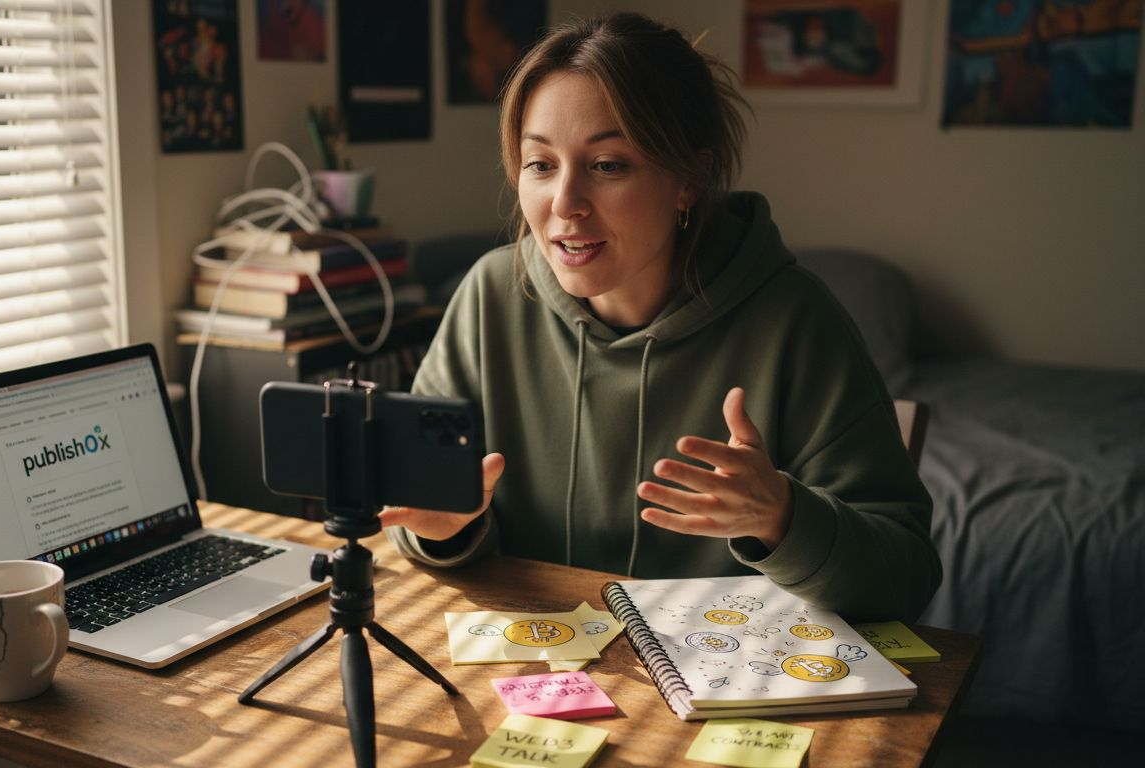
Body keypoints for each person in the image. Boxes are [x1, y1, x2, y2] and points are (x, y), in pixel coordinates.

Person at [380, 12, 941, 622]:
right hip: (533, 679)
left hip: (720, 694)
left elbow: (906, 575)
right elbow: (425, 519)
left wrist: (783, 517)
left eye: (608, 165)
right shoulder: (491, 294)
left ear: (688, 181)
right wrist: (444, 529)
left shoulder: (796, 322)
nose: (565, 203)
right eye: (540, 164)